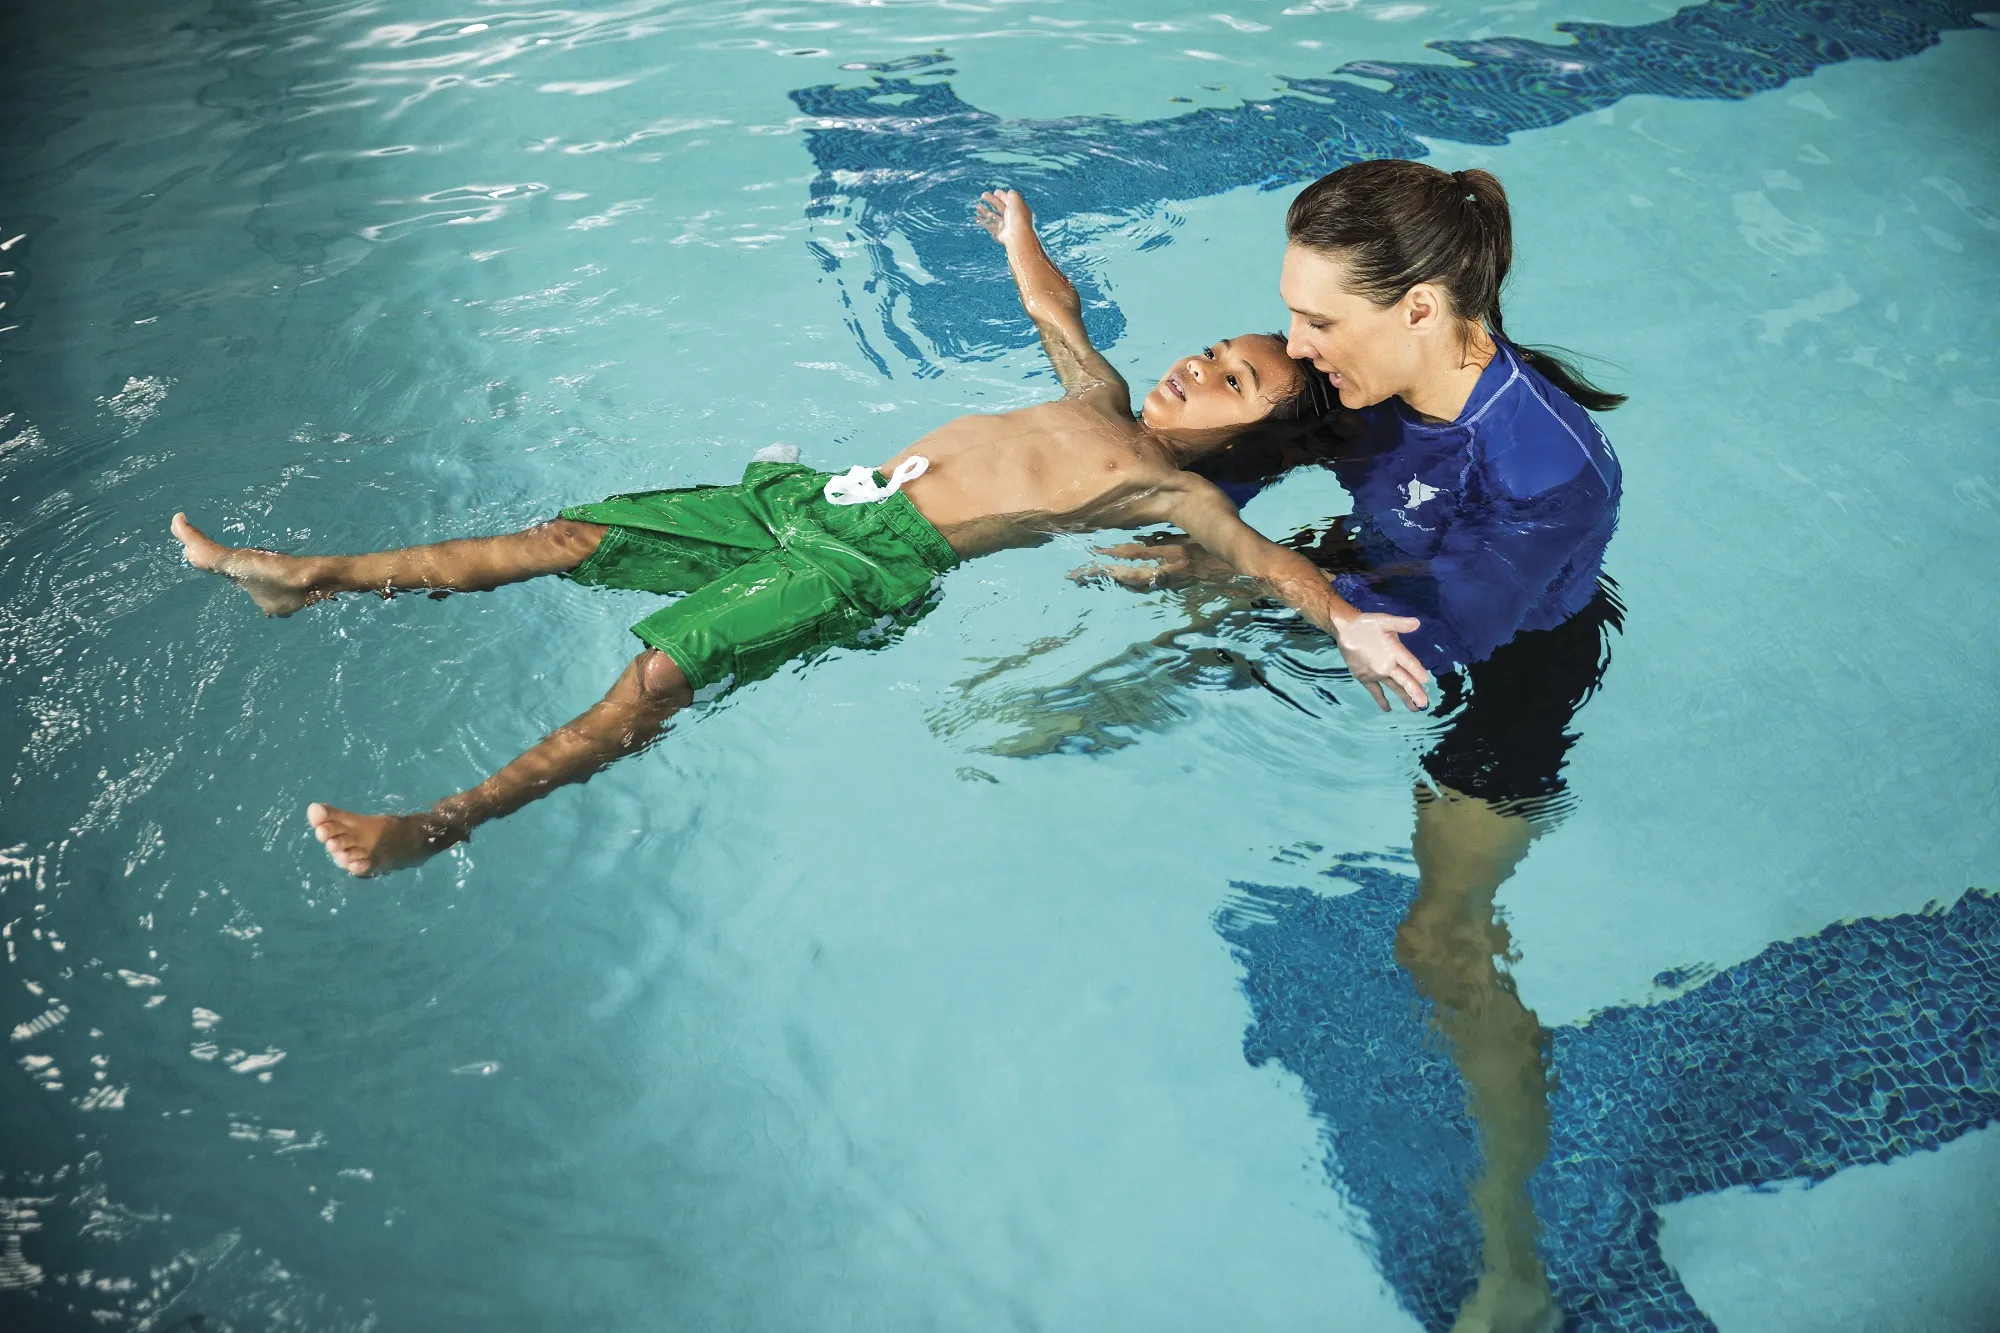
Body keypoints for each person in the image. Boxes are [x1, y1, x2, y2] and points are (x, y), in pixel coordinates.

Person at [171, 189, 1430, 879]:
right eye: (1209, 352)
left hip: (866, 564)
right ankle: (311, 578)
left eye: (1227, 385)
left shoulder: (1171, 496)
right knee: (568, 536)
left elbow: (1269, 563)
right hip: (815, 499)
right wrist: (1019, 237)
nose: (1191, 374)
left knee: (651, 680)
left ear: (1248, 438)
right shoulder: (1100, 398)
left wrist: (1346, 618)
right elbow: (1056, 315)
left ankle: (432, 827)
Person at [1090, 159, 1624, 1333]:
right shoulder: (1365, 376)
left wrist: (1255, 571)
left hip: (1511, 656)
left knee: (1438, 943)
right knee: (1171, 592)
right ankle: (1073, 719)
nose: (1299, 340)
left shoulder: (1546, 471)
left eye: (1319, 320)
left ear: (1419, 309)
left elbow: (1448, 637)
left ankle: (1513, 1265)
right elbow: (1213, 448)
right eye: (1291, 314)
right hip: (1376, 566)